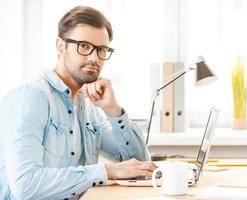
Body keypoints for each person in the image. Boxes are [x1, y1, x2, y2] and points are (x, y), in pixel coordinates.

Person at [0, 5, 156, 200]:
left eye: (101, 49)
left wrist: (113, 109)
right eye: (84, 46)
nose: (94, 58)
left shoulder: (89, 106)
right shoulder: (29, 98)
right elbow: (26, 186)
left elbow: (140, 165)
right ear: (60, 46)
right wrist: (107, 171)